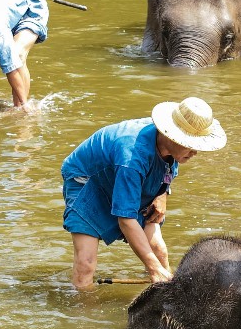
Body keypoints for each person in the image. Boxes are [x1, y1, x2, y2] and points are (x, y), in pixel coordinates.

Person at [60, 96, 226, 291]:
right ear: (171, 136)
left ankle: (162, 294)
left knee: (159, 253)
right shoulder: (132, 155)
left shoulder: (172, 150)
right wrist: (153, 269)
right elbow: (126, 220)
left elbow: (166, 170)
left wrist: (162, 194)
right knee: (85, 266)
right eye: (189, 144)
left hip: (125, 177)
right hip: (89, 182)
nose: (195, 152)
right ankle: (84, 315)